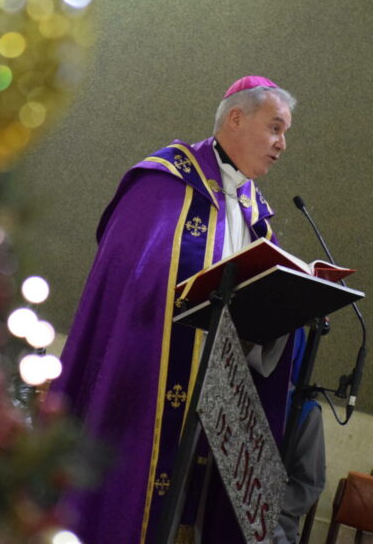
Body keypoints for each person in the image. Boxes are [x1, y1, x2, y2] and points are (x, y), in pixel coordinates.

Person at [51, 75, 302, 543]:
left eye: (283, 133)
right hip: (143, 386)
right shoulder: (163, 182)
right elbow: (132, 284)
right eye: (275, 128)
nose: (281, 144)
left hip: (215, 407)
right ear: (236, 118)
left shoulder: (256, 216)